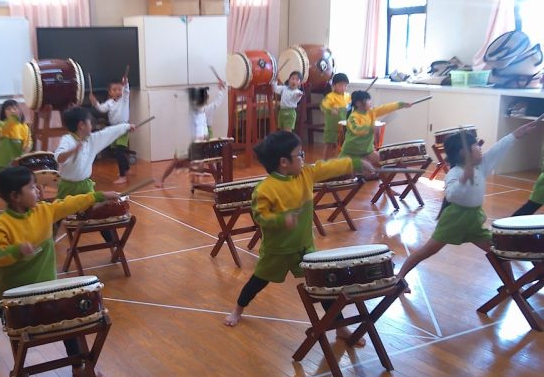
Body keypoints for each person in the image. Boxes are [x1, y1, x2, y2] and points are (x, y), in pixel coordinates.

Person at [224, 130, 375, 346]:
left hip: (305, 248)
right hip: (277, 252)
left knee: (323, 286)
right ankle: (238, 309)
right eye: (300, 154)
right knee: (257, 282)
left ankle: (341, 328)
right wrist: (281, 219)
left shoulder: (306, 174)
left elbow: (329, 167)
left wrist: (356, 163)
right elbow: (260, 217)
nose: (304, 158)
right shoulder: (265, 189)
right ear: (284, 162)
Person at [0, 165, 119, 373]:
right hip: (11, 291)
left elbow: (70, 203)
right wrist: (17, 250)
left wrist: (98, 195)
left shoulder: (45, 211)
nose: (38, 190)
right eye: (31, 187)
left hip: (46, 287)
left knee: (67, 322)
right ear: (15, 196)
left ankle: (77, 366)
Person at [397, 120, 541, 281]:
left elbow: (497, 149)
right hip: (453, 221)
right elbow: (451, 195)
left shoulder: (480, 166)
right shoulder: (454, 173)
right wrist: (464, 179)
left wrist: (516, 134)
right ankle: (399, 278)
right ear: (463, 153)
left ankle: (511, 285)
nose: (480, 148)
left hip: (473, 220)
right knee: (427, 251)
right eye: (476, 146)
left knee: (499, 251)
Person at [155, 80, 226, 188]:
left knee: (210, 161)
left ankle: (218, 182)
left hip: (200, 142)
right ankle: (162, 179)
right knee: (176, 161)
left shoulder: (204, 110)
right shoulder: (191, 111)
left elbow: (216, 103)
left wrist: (221, 90)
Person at [339, 90, 411, 167]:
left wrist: (401, 105)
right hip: (352, 152)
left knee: (383, 164)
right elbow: (356, 130)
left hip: (367, 150)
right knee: (361, 171)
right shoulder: (353, 117)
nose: (370, 103)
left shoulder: (371, 112)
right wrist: (370, 128)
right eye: (368, 101)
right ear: (358, 103)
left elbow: (385, 108)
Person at [90, 74, 131, 184]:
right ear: (110, 92)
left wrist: (126, 83)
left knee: (119, 151)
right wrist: (95, 103)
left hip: (123, 128)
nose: (118, 92)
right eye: (114, 90)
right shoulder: (109, 103)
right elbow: (101, 109)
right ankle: (126, 169)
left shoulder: (124, 99)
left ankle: (123, 176)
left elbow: (127, 91)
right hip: (113, 130)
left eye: (120, 89)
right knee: (117, 152)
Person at [320, 73, 350, 159]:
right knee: (329, 144)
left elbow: (351, 106)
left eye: (345, 85)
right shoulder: (330, 97)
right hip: (332, 127)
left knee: (341, 145)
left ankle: (337, 162)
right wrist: (330, 109)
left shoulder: (347, 96)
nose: (343, 88)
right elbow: (323, 106)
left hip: (343, 127)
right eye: (340, 85)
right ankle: (325, 161)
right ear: (333, 85)